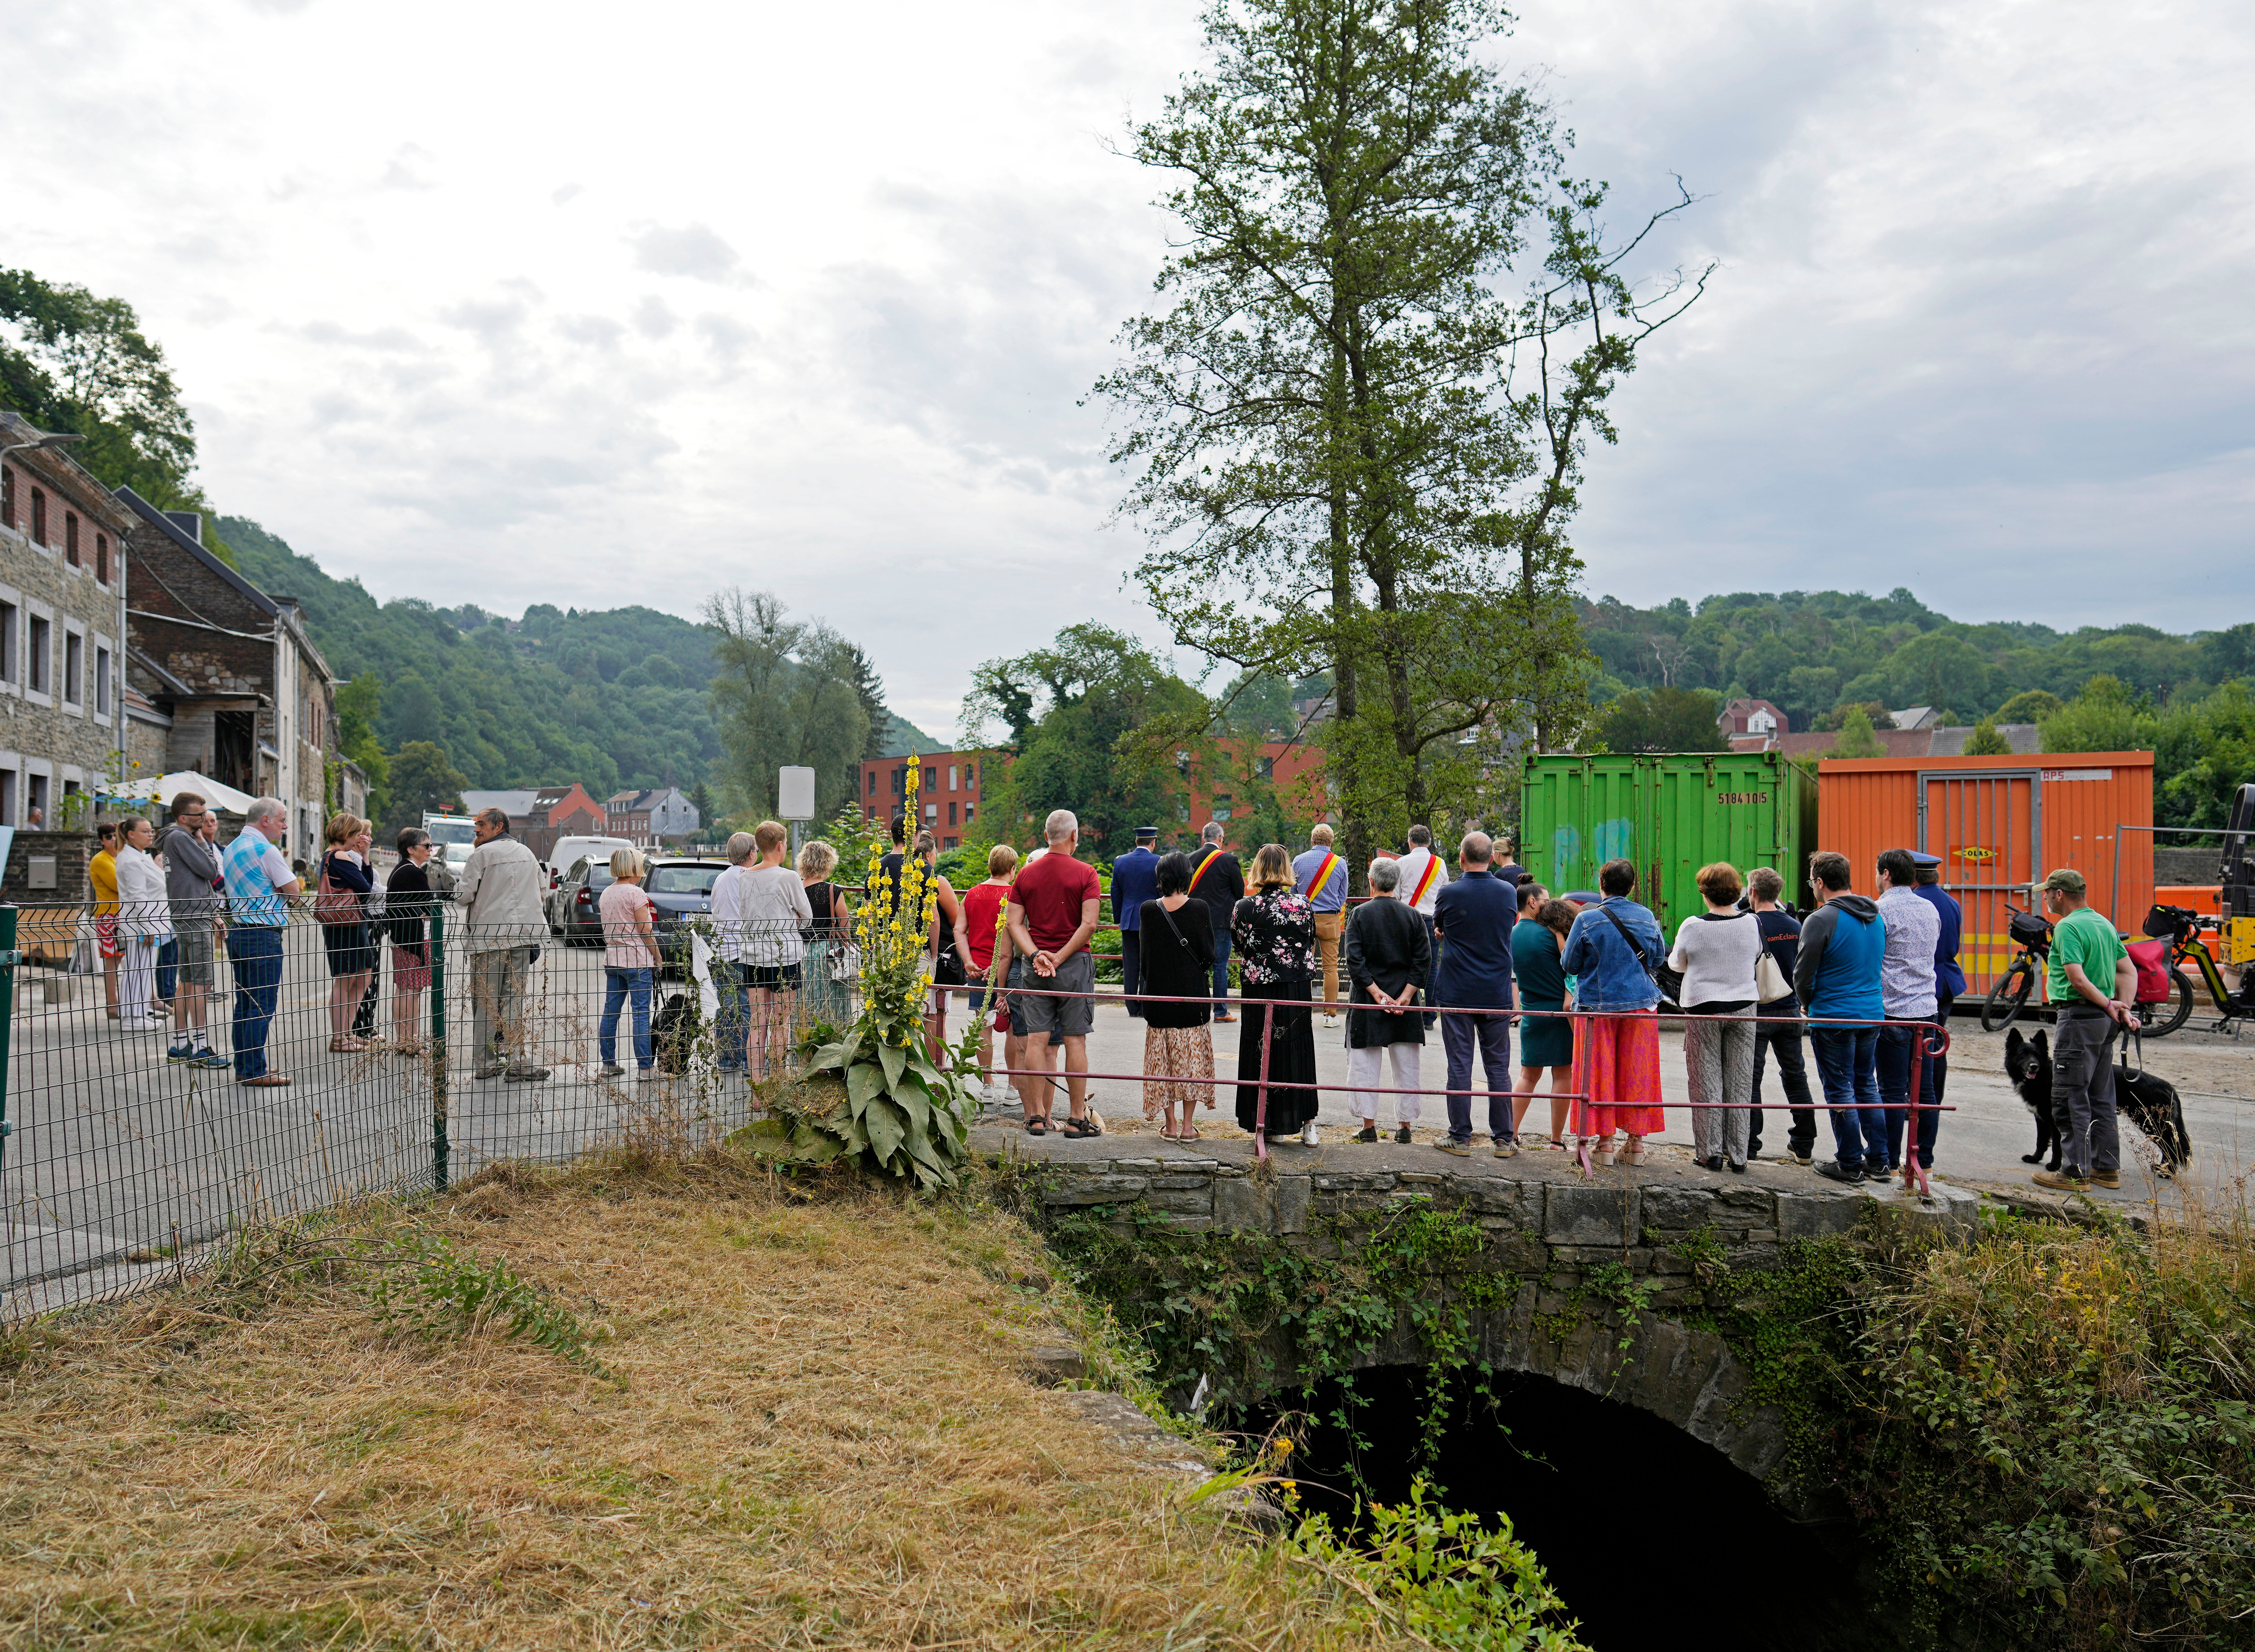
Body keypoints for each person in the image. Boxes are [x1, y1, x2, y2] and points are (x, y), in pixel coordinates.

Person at [1559, 858, 1668, 1166]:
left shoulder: (1587, 918)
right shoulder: (1647, 916)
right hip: (1640, 1004)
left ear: (1601, 884)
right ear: (1633, 887)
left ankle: (1604, 1144)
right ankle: (1636, 1146)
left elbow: (1570, 965)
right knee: (1638, 1071)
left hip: (1597, 1006)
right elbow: (1658, 958)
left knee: (1598, 1071)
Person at [2034, 868, 2136, 1191]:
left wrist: (2109, 1004)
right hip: (2104, 1023)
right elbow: (2128, 970)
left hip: (2079, 1017)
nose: (2045, 898)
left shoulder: (2067, 926)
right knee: (2101, 1094)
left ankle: (2075, 1171)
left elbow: (2077, 978)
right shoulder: (2103, 923)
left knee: (2069, 1094)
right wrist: (2123, 1007)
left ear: (2059, 894)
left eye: (2047, 892)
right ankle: (2107, 1168)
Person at [1005, 809, 1104, 1137]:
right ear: (1074, 836)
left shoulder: (1026, 875)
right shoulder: (1087, 873)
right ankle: (1077, 1119)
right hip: (1074, 965)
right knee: (1076, 1041)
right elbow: (1089, 924)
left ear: (1046, 836)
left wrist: (1036, 955)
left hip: (1035, 968)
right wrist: (1060, 958)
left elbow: (1014, 923)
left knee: (1036, 1041)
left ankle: (1036, 1117)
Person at [1795, 850, 1887, 1185]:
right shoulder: (1876, 916)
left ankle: (1849, 1163)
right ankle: (1880, 1160)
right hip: (1871, 1015)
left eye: (1812, 882)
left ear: (1820, 883)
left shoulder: (1821, 919)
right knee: (1867, 1085)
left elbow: (1803, 975)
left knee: (1840, 1089)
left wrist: (1807, 1003)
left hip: (1833, 1016)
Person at [1668, 862, 1762, 1172]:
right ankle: (1739, 1154)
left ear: (1705, 893)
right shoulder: (1752, 923)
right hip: (1745, 1006)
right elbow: (1757, 955)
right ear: (1736, 891)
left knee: (1706, 1079)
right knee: (1740, 1079)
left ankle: (1711, 1152)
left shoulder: (1692, 925)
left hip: (1703, 1007)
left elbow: (1677, 964)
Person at [1431, 831, 1519, 1158]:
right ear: (1492, 858)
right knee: (1498, 1067)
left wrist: (1446, 932)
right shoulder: (1508, 891)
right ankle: (1503, 1140)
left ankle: (1460, 1137)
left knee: (1460, 1064)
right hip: (1496, 991)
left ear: (1462, 857)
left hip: (1457, 991)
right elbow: (1506, 924)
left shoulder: (1449, 892)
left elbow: (1441, 926)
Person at [1233, 843, 1321, 1143]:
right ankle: (1307, 1123)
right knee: (1298, 1050)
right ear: (1287, 869)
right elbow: (1310, 940)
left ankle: (1269, 1125)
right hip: (1295, 986)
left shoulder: (1244, 907)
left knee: (1261, 1049)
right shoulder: (1303, 904)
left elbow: (1239, 944)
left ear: (1257, 869)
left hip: (1258, 988)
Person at [456, 805, 548, 1082]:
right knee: (514, 999)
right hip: (522, 936)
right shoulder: (528, 853)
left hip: (489, 939)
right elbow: (542, 892)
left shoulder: (481, 855)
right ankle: (519, 1061)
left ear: (498, 827)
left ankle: (486, 1063)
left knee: (486, 1000)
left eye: (481, 825)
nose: (476, 829)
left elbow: (462, 897)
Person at [1343, 855, 1429, 1144]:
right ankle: (1404, 1126)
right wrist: (1405, 997)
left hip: (1369, 1000)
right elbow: (1423, 960)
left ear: (1371, 882)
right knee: (1407, 1063)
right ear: (1397, 883)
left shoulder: (1360, 914)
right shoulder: (1413, 915)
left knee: (1365, 1062)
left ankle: (1369, 1126)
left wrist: (1377, 993)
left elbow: (1354, 959)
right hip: (1405, 1002)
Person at [220, 797, 302, 1087]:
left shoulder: (230, 848)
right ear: (265, 820)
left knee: (245, 1004)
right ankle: (255, 1069)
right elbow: (294, 892)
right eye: (282, 819)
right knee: (262, 1005)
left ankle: (246, 1066)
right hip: (264, 933)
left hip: (240, 930)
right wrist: (283, 887)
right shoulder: (266, 850)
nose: (285, 825)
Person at [1137, 850, 1217, 1141]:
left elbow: (1145, 962)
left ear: (1161, 877)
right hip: (1192, 1002)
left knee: (1164, 1065)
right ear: (1187, 876)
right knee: (1191, 1065)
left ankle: (1169, 1126)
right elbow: (1209, 955)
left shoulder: (1148, 909)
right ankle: (1187, 1127)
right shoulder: (1199, 908)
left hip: (1159, 1003)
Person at [1874, 847, 1942, 1179]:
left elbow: (1872, 958)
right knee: (1924, 1090)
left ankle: (1887, 1159)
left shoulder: (1879, 910)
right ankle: (1923, 1159)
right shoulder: (1929, 908)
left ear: (1886, 874)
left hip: (1891, 1012)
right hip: (1927, 1011)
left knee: (1890, 1090)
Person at [1745, 867, 1818, 1164]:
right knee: (1795, 1075)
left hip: (1758, 1012)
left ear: (1753, 892)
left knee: (1751, 1080)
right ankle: (1803, 1143)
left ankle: (1749, 1144)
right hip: (1790, 1011)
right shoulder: (1796, 926)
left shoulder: (1748, 925)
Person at [740, 821, 815, 1080]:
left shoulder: (745, 877)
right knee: (782, 1021)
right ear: (781, 846)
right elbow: (807, 917)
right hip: (785, 958)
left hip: (752, 957)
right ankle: (779, 1079)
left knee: (757, 1022)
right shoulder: (789, 877)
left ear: (759, 847)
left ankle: (757, 1088)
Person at [159, 792, 228, 1068]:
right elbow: (212, 871)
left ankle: (179, 1043)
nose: (205, 819)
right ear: (184, 818)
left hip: (190, 914)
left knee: (187, 981)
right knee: (200, 983)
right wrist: (202, 842)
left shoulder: (173, 838)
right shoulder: (181, 838)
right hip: (194, 917)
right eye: (200, 815)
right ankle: (200, 1048)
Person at [1511, 889, 1577, 1151]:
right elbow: (1572, 965)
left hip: (1531, 1012)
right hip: (1560, 1014)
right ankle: (1556, 1141)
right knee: (1563, 1074)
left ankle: (1511, 1133)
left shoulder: (1514, 934)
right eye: (1545, 901)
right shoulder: (1551, 935)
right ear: (1532, 902)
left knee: (1528, 1076)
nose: (1548, 906)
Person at [956, 844, 1020, 1104]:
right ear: (1013, 869)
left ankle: (988, 1085)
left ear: (990, 866)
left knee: (984, 1027)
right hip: (1008, 969)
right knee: (1013, 1029)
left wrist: (968, 961)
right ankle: (1013, 1088)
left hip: (978, 971)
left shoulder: (972, 894)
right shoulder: (1014, 896)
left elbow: (960, 930)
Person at [597, 846, 661, 1078]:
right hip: (637, 961)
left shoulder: (606, 893)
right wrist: (658, 956)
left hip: (613, 960)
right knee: (641, 1013)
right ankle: (646, 1068)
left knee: (611, 1012)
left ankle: (608, 1063)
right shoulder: (636, 894)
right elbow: (645, 931)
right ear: (634, 867)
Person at [317, 813, 378, 1053]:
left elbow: (365, 885)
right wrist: (362, 858)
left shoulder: (330, 856)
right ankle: (340, 1038)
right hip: (345, 923)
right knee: (345, 979)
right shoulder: (340, 856)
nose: (358, 840)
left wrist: (364, 856)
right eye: (356, 835)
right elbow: (366, 888)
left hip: (351, 922)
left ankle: (346, 1033)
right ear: (348, 834)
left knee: (363, 976)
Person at [1910, 852, 1964, 1107]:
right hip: (1945, 981)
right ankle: (1934, 1099)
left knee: (1912, 1045)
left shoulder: (1915, 902)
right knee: (1936, 1044)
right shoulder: (1952, 902)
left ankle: (1916, 1098)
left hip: (1920, 982)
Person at [709, 831, 759, 1070]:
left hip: (722, 953)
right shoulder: (750, 877)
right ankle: (750, 1059)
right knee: (748, 1007)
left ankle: (727, 1059)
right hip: (744, 951)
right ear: (751, 854)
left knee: (726, 1008)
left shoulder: (720, 879)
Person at [113, 815, 170, 1026]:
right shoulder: (130, 861)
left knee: (144, 970)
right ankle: (132, 1017)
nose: (151, 835)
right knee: (137, 970)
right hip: (140, 925)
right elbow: (138, 897)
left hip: (151, 922)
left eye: (151, 831)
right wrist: (147, 928)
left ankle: (139, 1011)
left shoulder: (142, 857)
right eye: (146, 831)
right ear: (131, 835)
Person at [1292, 823, 1350, 1023]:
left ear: (1313, 840)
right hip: (1330, 919)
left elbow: (1293, 893)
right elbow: (1343, 896)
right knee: (1331, 968)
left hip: (1304, 919)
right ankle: (1330, 1015)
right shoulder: (1340, 863)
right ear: (1331, 841)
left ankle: (1303, 1012)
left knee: (1303, 966)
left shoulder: (1299, 861)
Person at [386, 827, 437, 1056]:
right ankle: (407, 1042)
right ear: (411, 849)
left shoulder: (403, 869)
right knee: (409, 989)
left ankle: (407, 1040)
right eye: (426, 846)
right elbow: (430, 906)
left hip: (404, 938)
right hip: (412, 939)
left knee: (409, 989)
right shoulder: (413, 872)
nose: (430, 850)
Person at [1187, 820, 1245, 1021]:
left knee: (1195, 966)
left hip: (1194, 920)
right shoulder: (1229, 860)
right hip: (1221, 922)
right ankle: (1220, 1012)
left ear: (1203, 838)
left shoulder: (1189, 859)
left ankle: (1195, 1009)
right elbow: (1240, 892)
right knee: (1220, 967)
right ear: (1221, 838)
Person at [915, 830, 964, 1062]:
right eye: (935, 853)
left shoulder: (905, 876)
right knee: (936, 1015)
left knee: (918, 1015)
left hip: (910, 952)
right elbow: (956, 919)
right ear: (927, 854)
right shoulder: (937, 880)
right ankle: (937, 1068)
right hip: (937, 956)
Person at [797, 840, 852, 1029]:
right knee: (833, 1003)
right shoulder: (833, 891)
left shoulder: (796, 889)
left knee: (803, 1005)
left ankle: (804, 1047)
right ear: (828, 863)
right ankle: (834, 1047)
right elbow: (845, 928)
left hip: (800, 953)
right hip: (828, 955)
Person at [1110, 825, 1161, 1018]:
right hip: (1152, 920)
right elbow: (1161, 892)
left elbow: (1116, 893)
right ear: (1153, 842)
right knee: (1149, 963)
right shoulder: (1159, 862)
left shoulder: (1121, 862)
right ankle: (1146, 1003)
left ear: (1136, 841)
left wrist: (1119, 918)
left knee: (1131, 964)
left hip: (1129, 919)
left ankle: (1132, 1006)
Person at [90, 820, 123, 1018]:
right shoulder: (101, 860)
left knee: (122, 958)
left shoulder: (119, 857)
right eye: (109, 837)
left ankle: (122, 1000)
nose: (113, 839)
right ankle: (112, 1003)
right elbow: (119, 884)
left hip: (121, 914)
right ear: (102, 840)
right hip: (108, 914)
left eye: (115, 835)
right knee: (112, 960)